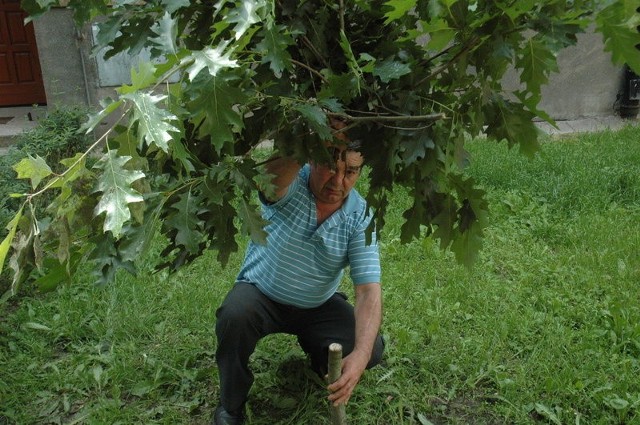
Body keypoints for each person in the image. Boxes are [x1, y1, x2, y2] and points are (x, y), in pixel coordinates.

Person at [212, 121, 384, 425]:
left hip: (317, 305)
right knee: (234, 317)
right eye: (330, 165)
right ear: (311, 159)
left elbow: (368, 291)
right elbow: (274, 181)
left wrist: (359, 356)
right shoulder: (291, 184)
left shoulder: (360, 216)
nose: (338, 180)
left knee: (370, 347)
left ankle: (320, 358)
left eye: (351, 172)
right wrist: (314, 131)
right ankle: (231, 407)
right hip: (261, 294)